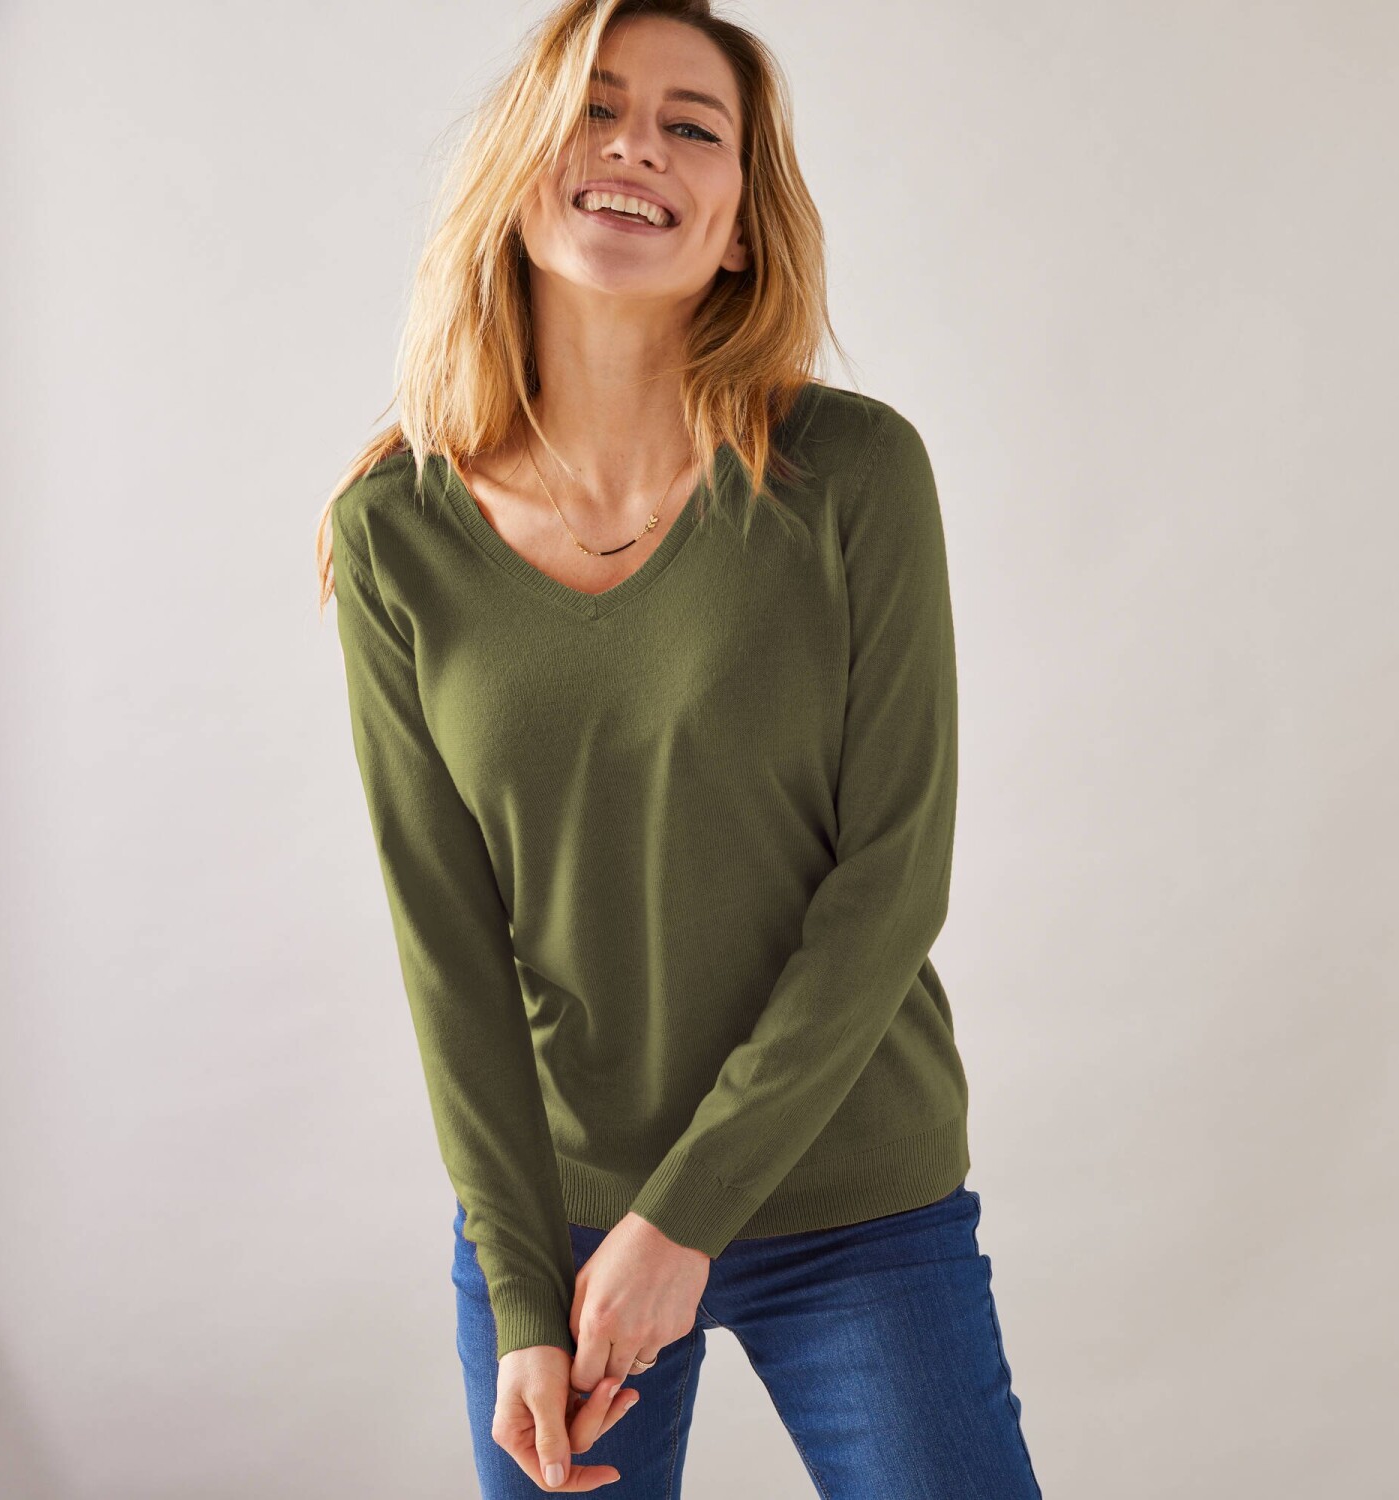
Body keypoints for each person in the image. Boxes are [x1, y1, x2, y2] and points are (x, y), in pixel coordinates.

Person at [314, 1, 1042, 1494]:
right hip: (560, 1220)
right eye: (594, 107)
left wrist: (683, 1221)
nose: (635, 143)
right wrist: (525, 1290)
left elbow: (891, 879)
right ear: (519, 173)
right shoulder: (395, 531)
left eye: (691, 126)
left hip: (854, 1198)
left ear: (741, 230)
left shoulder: (852, 475)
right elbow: (449, 948)